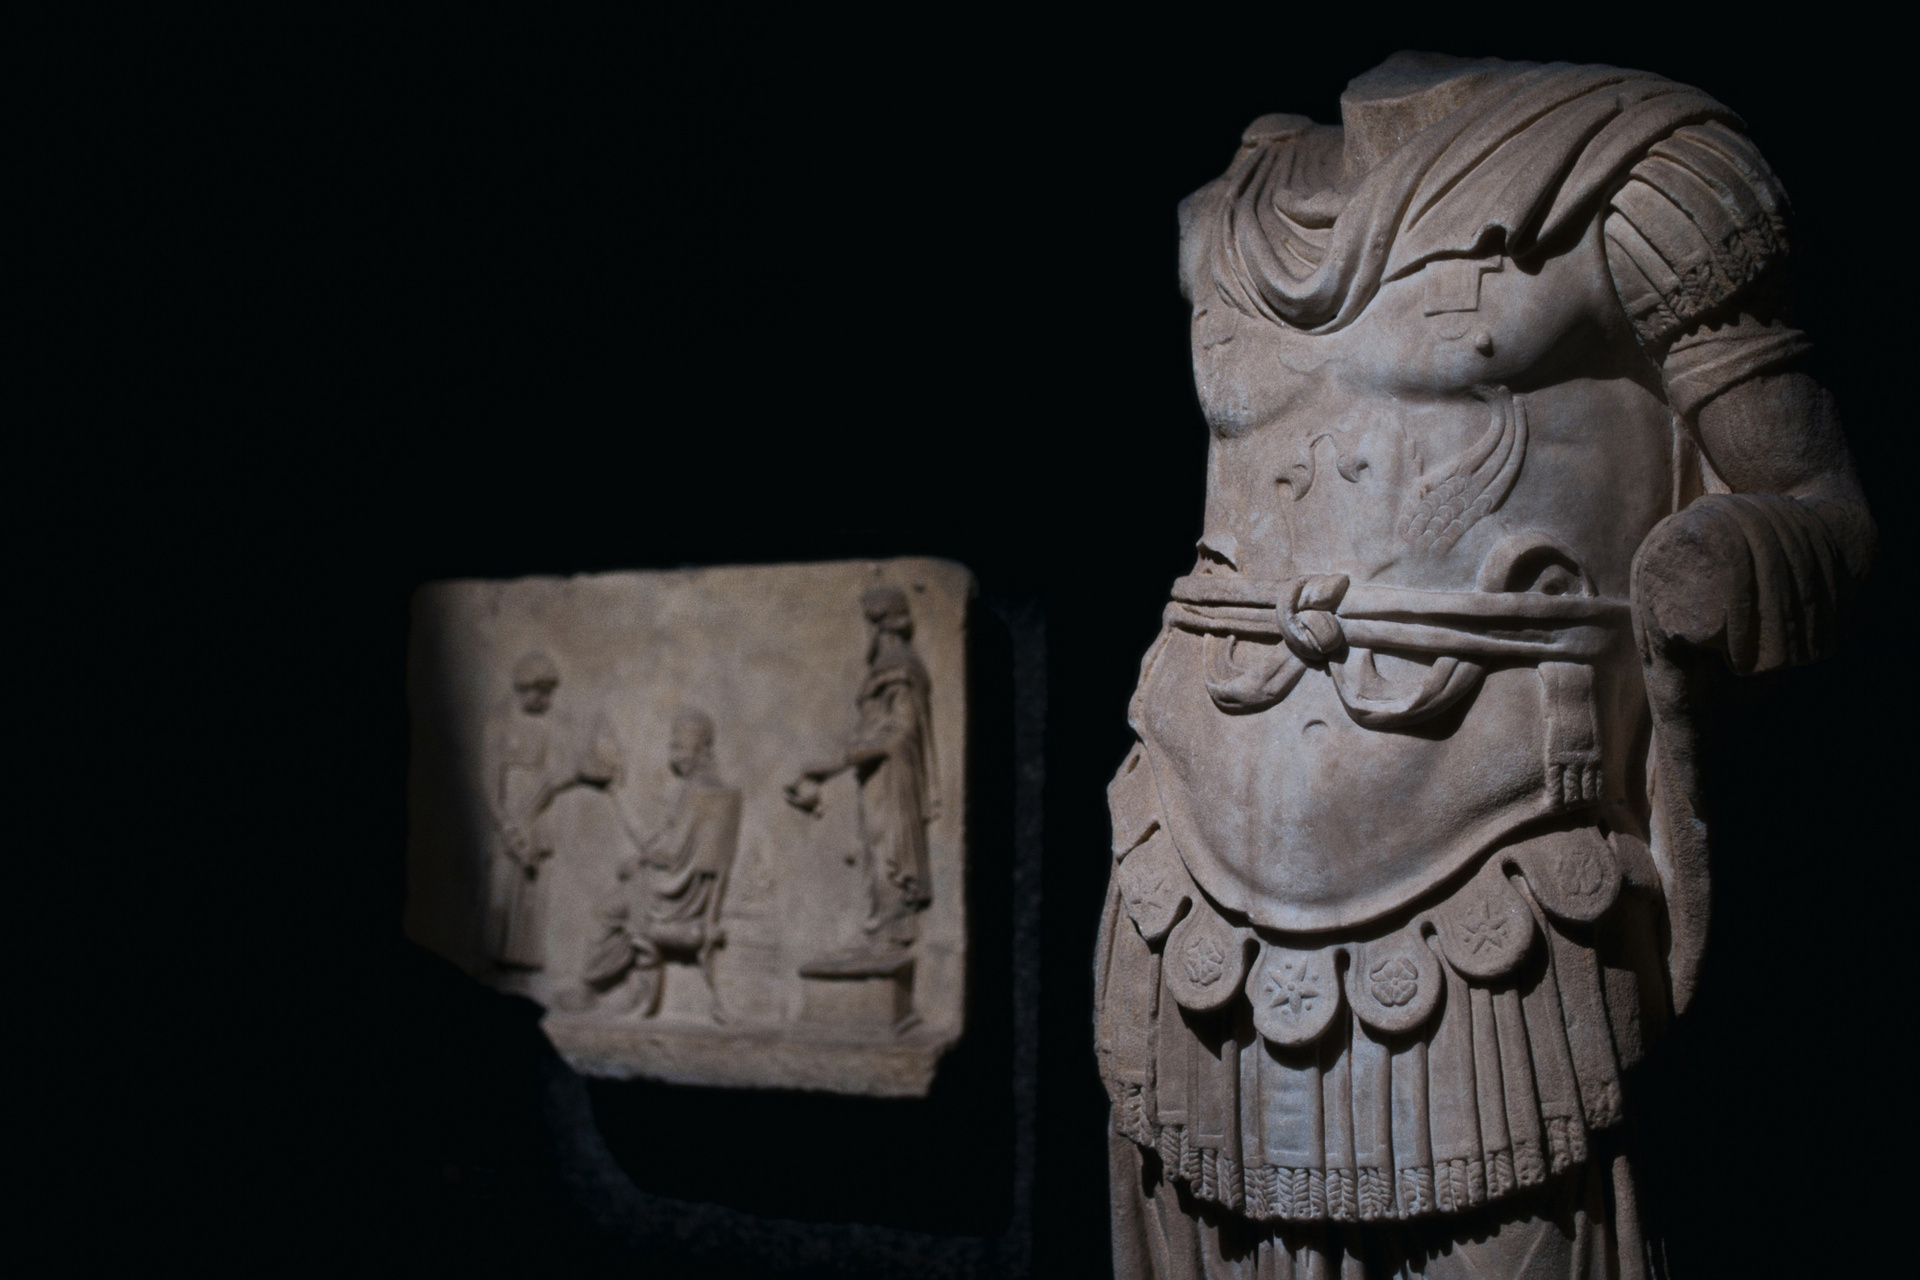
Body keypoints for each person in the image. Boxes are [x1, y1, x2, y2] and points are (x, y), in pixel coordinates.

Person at [1095, 53, 1873, 1279]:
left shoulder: (1645, 178)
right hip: (1194, 856)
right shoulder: (1228, 218)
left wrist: (1726, 561)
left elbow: (1821, 505)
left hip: (1502, 860)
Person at [786, 585, 939, 951]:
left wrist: (833, 764)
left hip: (892, 775)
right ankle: (881, 936)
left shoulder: (898, 666)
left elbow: (899, 732)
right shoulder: (889, 666)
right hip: (875, 774)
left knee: (887, 850)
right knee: (874, 848)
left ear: (878, 625)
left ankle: (890, 937)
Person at [572, 710, 740, 1017]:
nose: (674, 756)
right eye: (673, 746)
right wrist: (642, 859)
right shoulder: (719, 790)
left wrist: (639, 854)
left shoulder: (697, 791)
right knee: (624, 893)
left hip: (672, 898)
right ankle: (621, 990)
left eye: (680, 747)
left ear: (700, 750)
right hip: (689, 893)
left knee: (609, 909)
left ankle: (592, 989)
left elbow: (671, 853)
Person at [483, 650, 617, 970]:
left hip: (540, 807)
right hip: (512, 807)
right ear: (526, 688)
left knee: (534, 886)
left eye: (549, 693)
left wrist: (584, 771)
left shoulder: (552, 722)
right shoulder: (500, 720)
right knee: (503, 881)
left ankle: (524, 960)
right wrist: (505, 821)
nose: (546, 701)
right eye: (542, 693)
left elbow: (565, 767)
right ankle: (492, 956)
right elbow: (489, 777)